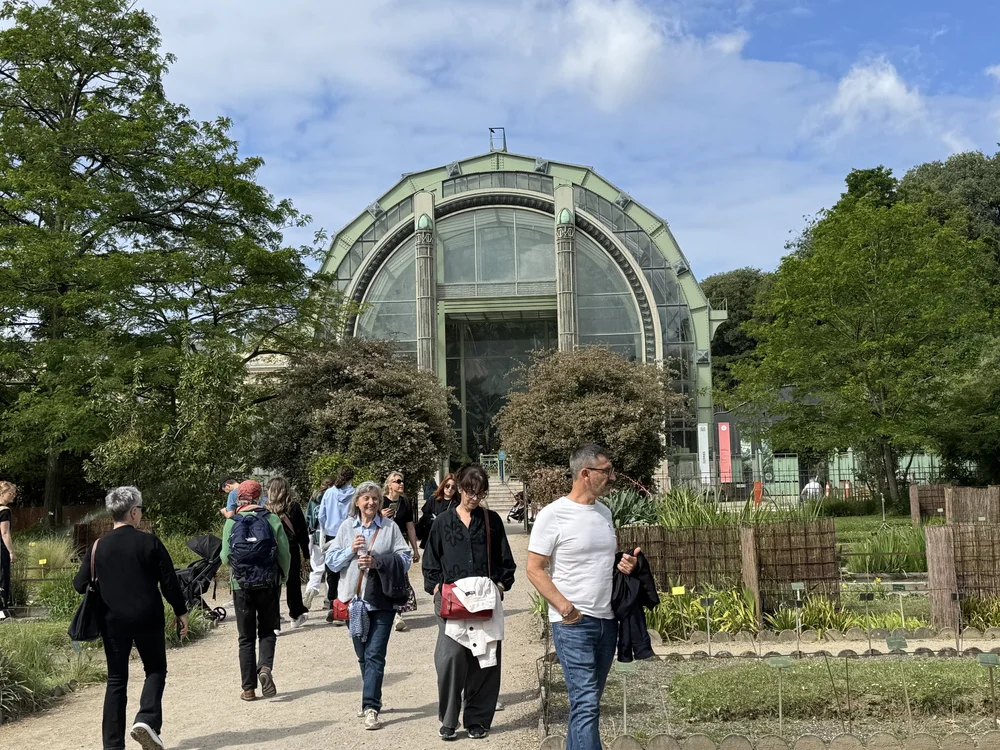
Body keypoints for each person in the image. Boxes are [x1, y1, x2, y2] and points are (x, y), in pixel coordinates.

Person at [526, 444, 638, 750]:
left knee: (586, 704)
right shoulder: (553, 515)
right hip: (573, 624)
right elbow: (534, 569)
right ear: (585, 474)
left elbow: (599, 561)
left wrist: (624, 565)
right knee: (587, 703)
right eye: (607, 471)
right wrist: (566, 609)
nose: (613, 477)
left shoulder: (604, 512)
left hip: (607, 622)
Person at [72, 486, 188, 750]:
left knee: (116, 680)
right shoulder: (150, 542)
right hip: (148, 616)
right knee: (155, 669)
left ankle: (113, 745)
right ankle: (147, 720)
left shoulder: (97, 547)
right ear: (134, 512)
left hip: (112, 620)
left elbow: (79, 584)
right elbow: (170, 583)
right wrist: (181, 612)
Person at [422, 464, 516, 741]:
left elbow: (506, 561)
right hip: (451, 602)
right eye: (470, 492)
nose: (475, 498)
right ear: (459, 489)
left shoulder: (492, 520)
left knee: (485, 659)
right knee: (450, 657)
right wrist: (438, 587)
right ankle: (449, 718)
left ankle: (477, 718)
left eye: (480, 493)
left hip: (485, 600)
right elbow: (430, 563)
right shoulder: (441, 522)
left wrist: (499, 585)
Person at [326, 481, 412, 730]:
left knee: (375, 654)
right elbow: (331, 563)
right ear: (357, 502)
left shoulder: (389, 527)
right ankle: (372, 695)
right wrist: (349, 552)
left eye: (375, 498)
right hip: (353, 602)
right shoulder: (346, 528)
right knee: (363, 655)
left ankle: (370, 707)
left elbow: (404, 558)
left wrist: (378, 563)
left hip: (382, 600)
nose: (372, 502)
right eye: (366, 498)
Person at [220, 480, 290, 701]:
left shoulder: (231, 522)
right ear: (261, 497)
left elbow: (224, 558)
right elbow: (284, 555)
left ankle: (248, 689)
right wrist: (283, 577)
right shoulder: (272, 519)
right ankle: (265, 668)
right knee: (268, 631)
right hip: (269, 583)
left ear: (239, 497)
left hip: (241, 586)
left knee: (246, 637)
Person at [266, 476, 310, 628]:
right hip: (290, 549)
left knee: (273, 585)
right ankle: (295, 614)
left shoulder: (265, 509)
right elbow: (302, 532)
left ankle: (274, 619)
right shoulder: (294, 507)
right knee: (293, 583)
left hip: (271, 550)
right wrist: (306, 552)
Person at [381, 471, 420, 631]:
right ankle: (385, 610)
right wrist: (380, 515)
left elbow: (410, 526)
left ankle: (397, 613)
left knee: (399, 577)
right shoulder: (381, 501)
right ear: (389, 484)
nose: (401, 483)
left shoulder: (405, 502)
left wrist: (415, 550)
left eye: (402, 481)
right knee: (384, 577)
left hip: (400, 544)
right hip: (383, 544)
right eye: (397, 481)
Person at [318, 466, 356, 623]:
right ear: (352, 478)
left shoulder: (329, 492)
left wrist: (324, 532)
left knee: (331, 572)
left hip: (331, 534)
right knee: (346, 571)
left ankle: (332, 605)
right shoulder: (354, 493)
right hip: (347, 533)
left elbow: (321, 516)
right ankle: (344, 606)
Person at [303, 475, 334, 610]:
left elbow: (308, 518)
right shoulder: (334, 497)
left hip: (315, 536)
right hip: (331, 536)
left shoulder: (314, 498)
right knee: (331, 570)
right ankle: (328, 599)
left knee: (317, 569)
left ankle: (311, 589)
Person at [416, 473, 458, 549]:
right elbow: (425, 516)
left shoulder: (457, 503)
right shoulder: (433, 499)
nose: (449, 489)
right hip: (431, 537)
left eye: (453, 487)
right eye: (447, 486)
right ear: (443, 485)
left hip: (447, 540)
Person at [0, 481, 17, 621]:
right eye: (10, 493)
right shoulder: (4, 510)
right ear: (2, 494)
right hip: (1, 549)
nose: (13, 496)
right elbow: (5, 533)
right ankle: (1, 610)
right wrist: (11, 551)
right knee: (2, 577)